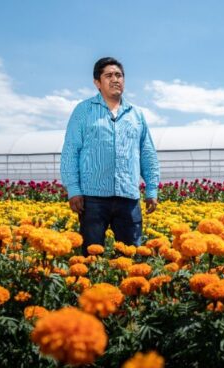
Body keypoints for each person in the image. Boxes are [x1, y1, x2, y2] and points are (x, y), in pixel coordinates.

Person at [60, 57, 160, 255]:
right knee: (91, 256)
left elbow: (147, 152)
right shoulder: (84, 110)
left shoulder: (136, 114)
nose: (115, 79)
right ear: (97, 82)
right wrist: (73, 189)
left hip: (128, 197)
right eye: (109, 76)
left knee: (131, 255)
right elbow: (71, 150)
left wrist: (152, 189)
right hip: (92, 197)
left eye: (119, 75)